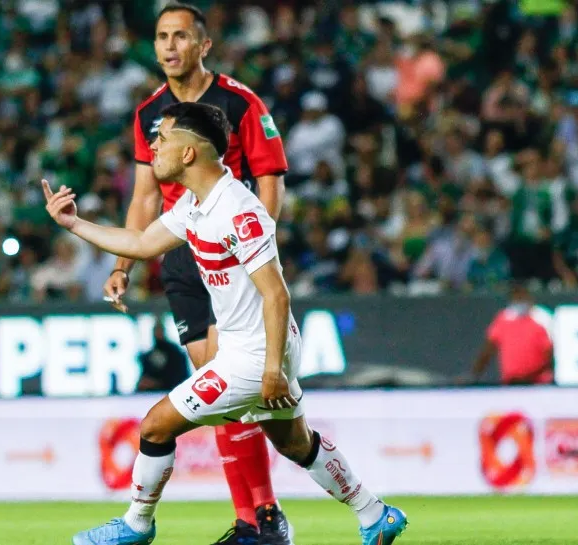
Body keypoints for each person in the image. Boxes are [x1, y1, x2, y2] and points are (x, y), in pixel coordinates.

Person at [44, 102, 407, 545]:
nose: (153, 146)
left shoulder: (238, 211)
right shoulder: (199, 204)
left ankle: (136, 525)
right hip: (254, 345)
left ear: (190, 153)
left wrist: (272, 369)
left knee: (155, 426)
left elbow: (276, 293)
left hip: (255, 353)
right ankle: (375, 514)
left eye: (164, 138)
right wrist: (73, 223)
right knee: (295, 443)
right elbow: (140, 243)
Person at [102, 4, 292, 544]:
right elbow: (143, 196)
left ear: (203, 44)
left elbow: (270, 180)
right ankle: (256, 517)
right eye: (161, 36)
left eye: (180, 36)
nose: (169, 46)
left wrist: (256, 243)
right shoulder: (149, 114)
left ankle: (265, 516)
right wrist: (124, 265)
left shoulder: (239, 102)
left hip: (233, 249)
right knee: (218, 385)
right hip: (181, 255)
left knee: (230, 383)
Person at [464, 282, 554, 385]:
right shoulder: (504, 317)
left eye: (521, 297)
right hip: (511, 383)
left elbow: (550, 353)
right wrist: (473, 375)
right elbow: (488, 349)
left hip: (538, 383)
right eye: (516, 297)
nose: (519, 301)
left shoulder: (541, 317)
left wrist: (530, 375)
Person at [137, 319, 190, 392]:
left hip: (173, 393)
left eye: (159, 331)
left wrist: (157, 383)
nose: (157, 333)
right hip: (152, 395)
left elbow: (180, 377)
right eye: (156, 331)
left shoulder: (176, 354)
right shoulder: (148, 355)